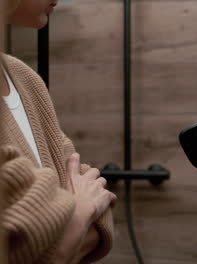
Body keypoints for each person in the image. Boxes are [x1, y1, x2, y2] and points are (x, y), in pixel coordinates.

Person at [0, 0, 117, 263]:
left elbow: (100, 207)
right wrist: (81, 213)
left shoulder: (24, 77)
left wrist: (71, 222)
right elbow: (20, 246)